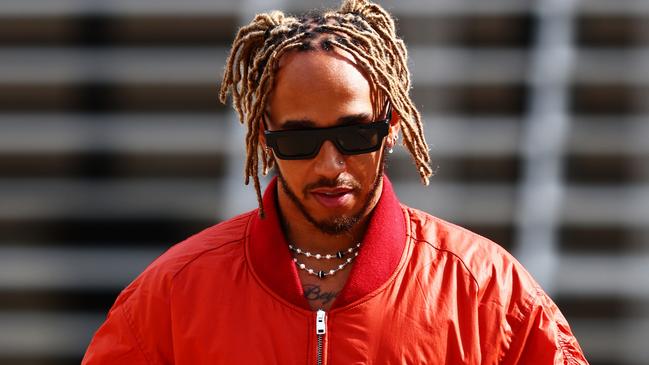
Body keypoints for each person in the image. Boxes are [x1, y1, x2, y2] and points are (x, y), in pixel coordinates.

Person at [82, 0, 589, 363]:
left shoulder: (487, 293)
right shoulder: (172, 296)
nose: (329, 165)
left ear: (390, 127)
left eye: (353, 133)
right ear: (265, 137)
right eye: (300, 140)